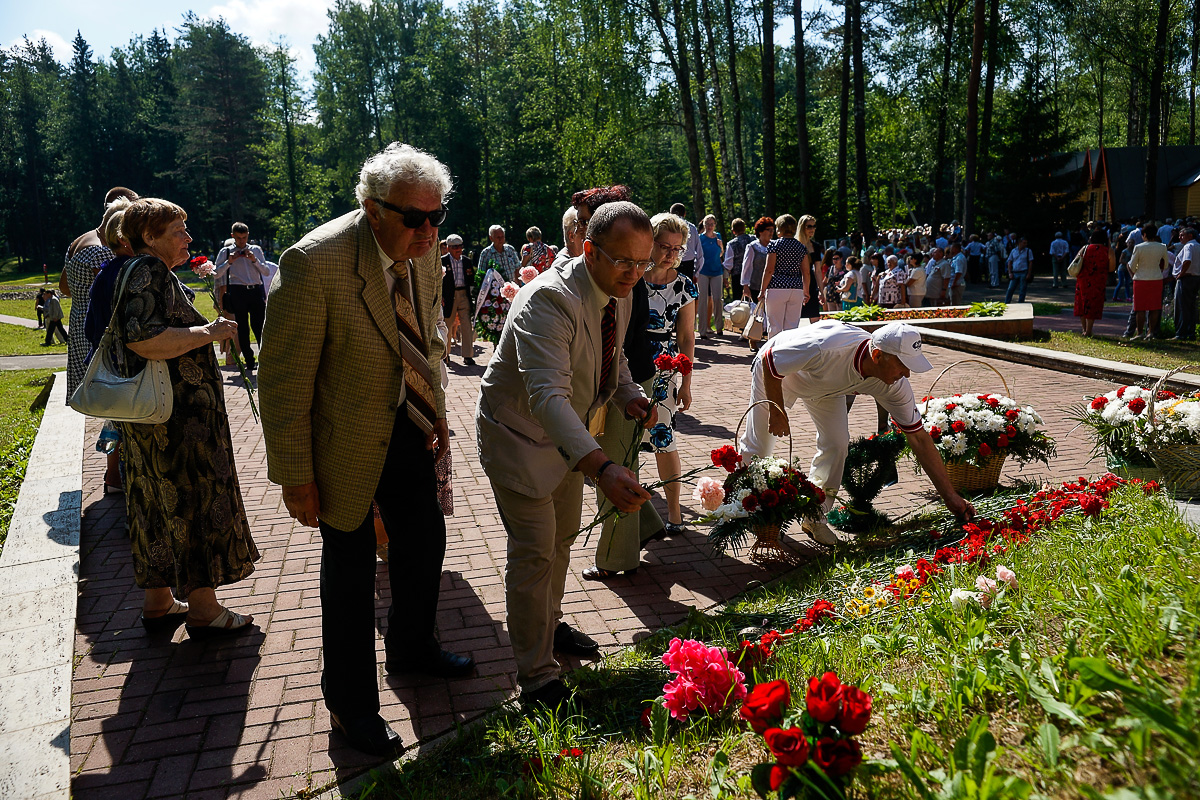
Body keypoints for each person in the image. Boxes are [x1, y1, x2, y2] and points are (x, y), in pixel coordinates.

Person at [259, 143, 473, 758]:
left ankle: (412, 650)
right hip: (343, 447)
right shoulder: (314, 261)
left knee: (424, 539)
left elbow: (424, 331)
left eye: (438, 216)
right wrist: (295, 476)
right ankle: (351, 708)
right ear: (372, 208)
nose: (429, 231)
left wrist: (432, 409)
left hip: (407, 428)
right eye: (415, 218)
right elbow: (284, 379)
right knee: (349, 579)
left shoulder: (423, 250)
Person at [476, 201, 657, 711]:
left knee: (562, 541)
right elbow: (547, 398)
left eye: (643, 264)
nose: (635, 274)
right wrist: (601, 467)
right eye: (624, 261)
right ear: (588, 249)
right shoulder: (547, 301)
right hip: (520, 438)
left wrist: (627, 395)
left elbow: (613, 355)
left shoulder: (618, 290)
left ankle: (548, 628)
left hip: (570, 442)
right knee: (534, 551)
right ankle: (536, 678)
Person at [108, 197, 260, 640]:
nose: (188, 238)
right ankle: (205, 609)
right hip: (178, 425)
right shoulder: (148, 270)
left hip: (155, 420)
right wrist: (208, 332)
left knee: (155, 504)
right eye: (177, 230)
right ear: (149, 237)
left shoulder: (137, 271)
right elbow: (145, 339)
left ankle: (158, 602)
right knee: (192, 502)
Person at [738, 320, 975, 544]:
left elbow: (919, 439)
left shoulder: (894, 384)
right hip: (780, 375)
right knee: (760, 446)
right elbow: (771, 361)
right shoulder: (828, 347)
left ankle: (815, 515)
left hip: (826, 387)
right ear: (877, 355)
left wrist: (951, 498)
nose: (907, 374)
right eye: (903, 364)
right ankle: (748, 511)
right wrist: (776, 412)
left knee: (837, 444)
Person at [637, 212, 696, 532]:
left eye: (678, 249)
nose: (671, 254)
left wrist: (686, 382)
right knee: (626, 437)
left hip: (664, 368)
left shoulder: (684, 285)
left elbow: (687, 337)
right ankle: (630, 516)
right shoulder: (632, 276)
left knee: (663, 436)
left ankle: (674, 514)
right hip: (628, 362)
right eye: (664, 246)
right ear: (650, 243)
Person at [62, 187, 139, 398]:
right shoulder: (101, 251)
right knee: (102, 389)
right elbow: (110, 292)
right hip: (96, 322)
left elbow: (64, 287)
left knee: (89, 387)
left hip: (78, 318)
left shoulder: (79, 240)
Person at [213, 223, 269, 370]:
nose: (241, 241)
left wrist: (254, 260)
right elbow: (216, 274)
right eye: (238, 238)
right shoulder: (226, 252)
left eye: (244, 238)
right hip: (238, 291)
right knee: (242, 328)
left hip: (255, 290)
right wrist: (229, 262)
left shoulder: (255, 250)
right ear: (233, 236)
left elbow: (266, 271)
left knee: (260, 327)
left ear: (248, 235)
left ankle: (264, 359)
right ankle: (249, 361)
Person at [759, 214, 808, 336]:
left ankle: (773, 353)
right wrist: (806, 291)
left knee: (775, 325)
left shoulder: (774, 245)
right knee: (792, 327)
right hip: (796, 289)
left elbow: (769, 269)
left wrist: (762, 289)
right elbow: (806, 272)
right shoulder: (801, 247)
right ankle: (789, 353)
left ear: (779, 229)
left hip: (777, 287)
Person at [474, 225, 521, 344]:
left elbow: (517, 268)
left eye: (502, 236)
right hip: (495, 295)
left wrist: (518, 285)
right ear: (491, 238)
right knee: (498, 321)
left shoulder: (510, 250)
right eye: (498, 237)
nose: (501, 239)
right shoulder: (486, 253)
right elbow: (481, 273)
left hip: (513, 292)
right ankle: (498, 346)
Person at [1073, 228, 1116, 337]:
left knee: (1082, 303)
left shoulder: (1085, 248)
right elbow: (1112, 268)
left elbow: (1076, 262)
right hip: (1098, 281)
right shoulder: (1108, 250)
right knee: (1092, 304)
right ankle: (1089, 330)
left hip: (1083, 279)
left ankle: (1084, 329)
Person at [1127, 225, 1167, 339]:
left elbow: (1132, 266)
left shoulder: (1139, 247)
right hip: (1156, 278)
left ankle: (1139, 333)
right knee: (1154, 307)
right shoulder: (1162, 247)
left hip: (1141, 279)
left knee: (1140, 308)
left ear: (1144, 235)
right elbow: (1165, 264)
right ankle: (1150, 332)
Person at [442, 233, 476, 365]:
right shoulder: (443, 261)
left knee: (466, 325)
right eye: (455, 247)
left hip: (464, 294)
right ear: (449, 248)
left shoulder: (467, 261)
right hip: (449, 296)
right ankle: (445, 355)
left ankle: (468, 355)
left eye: (460, 246)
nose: (458, 249)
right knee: (447, 326)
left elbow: (471, 280)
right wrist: (441, 297)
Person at [695, 214, 724, 338]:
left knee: (717, 299)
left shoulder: (718, 236)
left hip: (717, 271)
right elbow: (697, 255)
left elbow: (721, 254)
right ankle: (702, 330)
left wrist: (721, 246)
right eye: (707, 224)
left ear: (715, 225)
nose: (710, 226)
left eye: (712, 224)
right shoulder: (700, 238)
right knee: (703, 299)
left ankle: (719, 327)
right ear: (704, 225)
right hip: (703, 271)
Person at [1172, 226, 1200, 340]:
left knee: (1181, 306)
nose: (1180, 237)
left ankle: (1180, 333)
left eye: (1182, 235)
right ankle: (1190, 332)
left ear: (1190, 236)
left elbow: (1187, 260)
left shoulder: (1189, 246)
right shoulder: (1198, 246)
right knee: (1191, 306)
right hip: (1196, 278)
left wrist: (1181, 273)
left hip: (1186, 278)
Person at [795, 215, 824, 322]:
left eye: (814, 226)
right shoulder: (795, 244)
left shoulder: (816, 246)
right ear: (802, 227)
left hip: (811, 282)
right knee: (795, 316)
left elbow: (818, 270)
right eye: (809, 226)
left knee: (814, 316)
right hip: (796, 282)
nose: (812, 229)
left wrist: (821, 290)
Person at [741, 217, 774, 304]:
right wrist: (745, 286)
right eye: (768, 230)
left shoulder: (775, 246)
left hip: (773, 288)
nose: (771, 232)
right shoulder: (752, 247)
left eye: (772, 230)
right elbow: (746, 267)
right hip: (755, 287)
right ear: (760, 231)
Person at [724, 218, 754, 299]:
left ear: (733, 231)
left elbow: (728, 265)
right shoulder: (754, 239)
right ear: (744, 228)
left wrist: (725, 277)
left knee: (739, 304)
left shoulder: (731, 244)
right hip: (754, 275)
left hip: (738, 277)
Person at [670, 203, 701, 279]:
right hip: (688, 265)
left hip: (672, 262)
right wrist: (696, 273)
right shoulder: (692, 228)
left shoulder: (669, 227)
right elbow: (700, 253)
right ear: (685, 214)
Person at [1005, 237, 1033, 303]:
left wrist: (1029, 273)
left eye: (1026, 243)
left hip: (1024, 271)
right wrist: (1010, 272)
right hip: (1015, 272)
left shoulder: (1028, 251)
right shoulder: (1013, 251)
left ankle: (1021, 302)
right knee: (1010, 288)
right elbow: (1009, 261)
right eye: (1024, 243)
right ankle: (1007, 302)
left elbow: (1030, 262)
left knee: (1022, 289)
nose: (1025, 244)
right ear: (1019, 243)